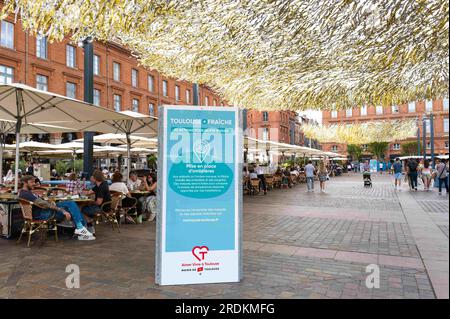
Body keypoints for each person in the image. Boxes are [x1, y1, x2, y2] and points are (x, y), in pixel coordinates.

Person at [19, 175, 94, 240]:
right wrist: (62, 210)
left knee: (71, 207)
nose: (34, 184)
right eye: (31, 182)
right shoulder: (26, 194)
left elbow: (42, 202)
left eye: (34, 182)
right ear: (25, 183)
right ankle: (81, 228)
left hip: (43, 212)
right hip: (44, 214)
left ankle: (81, 229)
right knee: (70, 204)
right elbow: (44, 204)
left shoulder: (26, 193)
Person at [82, 170, 112, 234]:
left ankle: (89, 226)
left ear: (95, 178)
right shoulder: (101, 184)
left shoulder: (101, 187)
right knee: (84, 207)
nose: (91, 178)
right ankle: (89, 224)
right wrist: (79, 192)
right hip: (104, 206)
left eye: (92, 176)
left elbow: (98, 202)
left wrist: (90, 202)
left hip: (103, 208)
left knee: (81, 209)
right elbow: (89, 192)